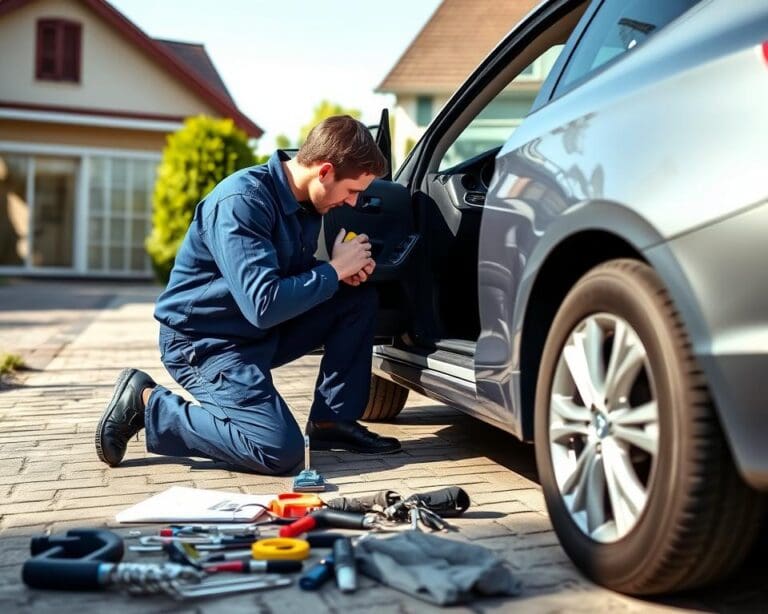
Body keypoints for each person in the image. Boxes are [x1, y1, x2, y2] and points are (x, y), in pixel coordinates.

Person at [95, 115, 401, 475]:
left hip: (254, 332)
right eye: (352, 191)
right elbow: (264, 304)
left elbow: (276, 284)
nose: (353, 203)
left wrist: (338, 273)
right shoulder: (242, 202)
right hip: (205, 343)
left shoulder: (306, 204)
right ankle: (149, 405)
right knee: (278, 451)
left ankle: (332, 423)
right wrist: (332, 270)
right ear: (324, 171)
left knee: (355, 300)